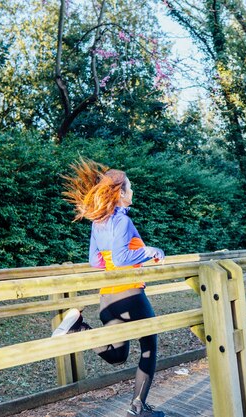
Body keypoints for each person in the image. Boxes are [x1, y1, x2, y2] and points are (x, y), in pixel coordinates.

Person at [55, 158, 166, 417]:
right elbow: (121, 258)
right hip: (130, 293)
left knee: (118, 355)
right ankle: (138, 408)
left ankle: (78, 329)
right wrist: (151, 251)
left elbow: (96, 261)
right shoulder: (123, 222)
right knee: (150, 344)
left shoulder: (99, 222)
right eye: (129, 187)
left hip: (108, 298)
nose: (132, 191)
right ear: (119, 193)